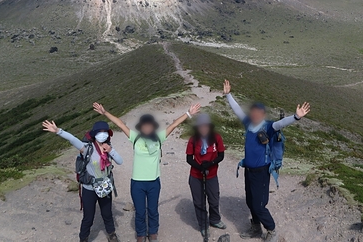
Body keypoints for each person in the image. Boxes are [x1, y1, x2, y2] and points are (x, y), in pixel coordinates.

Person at [92, 102, 201, 242]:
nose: (147, 127)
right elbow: (120, 124)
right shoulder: (135, 137)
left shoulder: (159, 137)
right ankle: (141, 234)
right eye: (145, 125)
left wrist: (188, 113)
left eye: (150, 125)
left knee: (153, 210)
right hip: (137, 182)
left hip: (154, 181)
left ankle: (153, 232)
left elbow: (173, 125)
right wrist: (105, 112)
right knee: (140, 212)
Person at [222, 80, 311, 242]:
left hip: (261, 172)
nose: (254, 115)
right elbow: (237, 110)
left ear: (263, 114)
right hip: (249, 170)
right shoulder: (248, 123)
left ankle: (271, 230)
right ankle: (256, 228)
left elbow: (281, 123)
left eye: (258, 112)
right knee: (250, 201)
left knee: (259, 204)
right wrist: (228, 95)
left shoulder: (269, 126)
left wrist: (296, 117)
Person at [42, 119, 123, 242]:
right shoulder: (86, 148)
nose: (103, 134)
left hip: (105, 186)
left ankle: (111, 234)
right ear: (94, 134)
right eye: (100, 131)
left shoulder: (109, 148)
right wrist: (58, 131)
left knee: (107, 214)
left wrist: (111, 150)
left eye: (105, 131)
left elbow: (120, 161)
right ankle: (83, 238)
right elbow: (73, 139)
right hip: (90, 189)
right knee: (88, 217)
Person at [186, 113, 227, 238]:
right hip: (196, 175)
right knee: (199, 202)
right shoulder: (193, 140)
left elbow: (221, 155)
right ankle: (203, 225)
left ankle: (214, 219)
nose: (203, 128)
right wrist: (200, 166)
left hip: (212, 174)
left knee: (214, 199)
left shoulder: (216, 138)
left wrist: (211, 163)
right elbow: (189, 158)